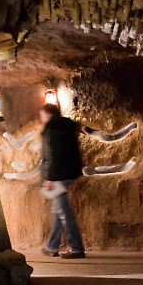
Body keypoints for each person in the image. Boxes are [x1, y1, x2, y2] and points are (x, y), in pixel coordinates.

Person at [38, 104, 86, 259]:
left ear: (48, 114)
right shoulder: (67, 126)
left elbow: (52, 153)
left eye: (42, 115)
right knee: (58, 210)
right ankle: (52, 246)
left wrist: (49, 178)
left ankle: (77, 248)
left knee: (64, 212)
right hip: (69, 172)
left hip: (58, 174)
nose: (41, 118)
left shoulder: (52, 129)